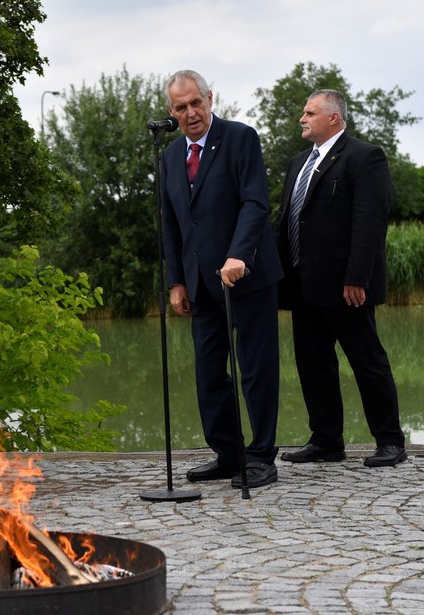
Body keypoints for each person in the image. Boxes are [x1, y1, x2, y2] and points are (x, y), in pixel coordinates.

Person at [160, 70, 283, 488]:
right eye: (181, 107)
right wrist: (176, 281)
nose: (190, 113)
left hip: (247, 275)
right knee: (209, 372)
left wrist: (238, 254)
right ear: (171, 112)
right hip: (200, 284)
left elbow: (255, 201)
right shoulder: (170, 157)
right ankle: (229, 454)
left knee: (255, 368)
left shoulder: (240, 138)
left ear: (210, 98)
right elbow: (171, 224)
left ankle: (262, 456)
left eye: (196, 102)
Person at [276, 89, 407, 468]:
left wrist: (357, 277)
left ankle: (390, 441)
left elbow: (369, 223)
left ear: (333, 118)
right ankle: (326, 441)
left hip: (346, 286)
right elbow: (286, 220)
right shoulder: (299, 162)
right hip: (303, 285)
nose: (302, 118)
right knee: (313, 364)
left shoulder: (364, 157)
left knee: (367, 361)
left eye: (310, 112)